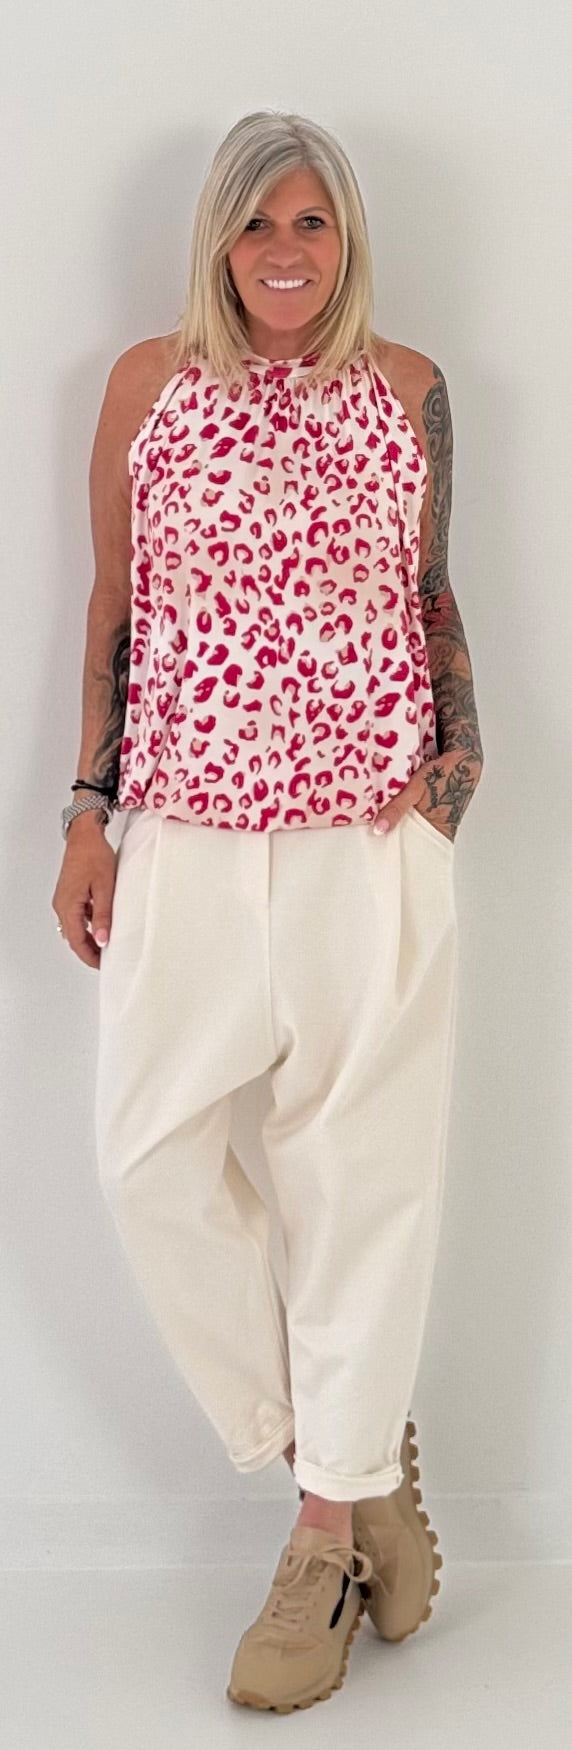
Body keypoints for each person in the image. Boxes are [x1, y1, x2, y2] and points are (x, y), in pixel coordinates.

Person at [51, 108, 484, 1714]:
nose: (286, 252)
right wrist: (88, 810)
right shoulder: (147, 388)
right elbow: (115, 602)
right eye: (257, 224)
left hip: (368, 838)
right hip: (184, 832)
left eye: (312, 222)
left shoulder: (411, 388)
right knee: (147, 1158)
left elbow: (432, 594)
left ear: (346, 236)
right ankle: (345, 1458)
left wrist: (453, 779)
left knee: (361, 1181)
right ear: (218, 241)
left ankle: (317, 1548)